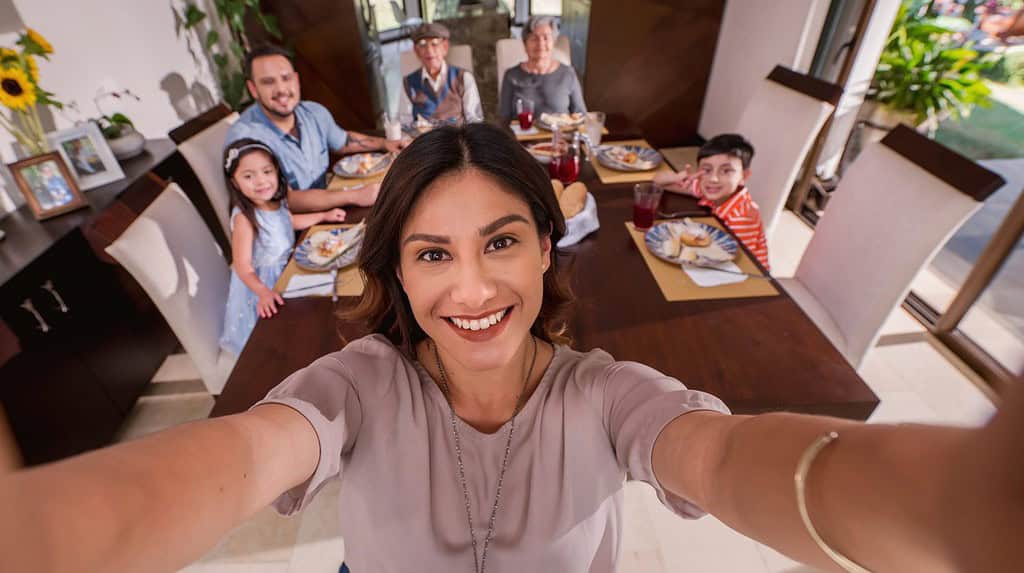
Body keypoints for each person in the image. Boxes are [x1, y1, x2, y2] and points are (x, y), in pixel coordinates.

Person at [0, 123, 1020, 573]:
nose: (474, 288)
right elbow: (235, 461)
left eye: (500, 243)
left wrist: (942, 511)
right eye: (431, 254)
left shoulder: (610, 391)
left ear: (548, 247)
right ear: (396, 276)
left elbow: (719, 457)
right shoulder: (354, 383)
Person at [224, 45, 405, 214]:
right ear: (253, 89)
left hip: (329, 209)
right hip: (291, 230)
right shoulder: (245, 138)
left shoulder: (314, 112)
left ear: (296, 80)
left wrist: (385, 143)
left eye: (286, 78)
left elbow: (343, 142)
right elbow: (285, 200)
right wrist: (355, 195)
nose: (281, 89)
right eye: (268, 82)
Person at [219, 138, 346, 357]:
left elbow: (288, 222)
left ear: (277, 171)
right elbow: (242, 267)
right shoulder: (243, 218)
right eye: (248, 176)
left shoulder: (275, 202)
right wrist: (263, 293)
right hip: (266, 284)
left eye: (267, 172)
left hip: (289, 272)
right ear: (234, 182)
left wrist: (323, 215)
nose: (261, 181)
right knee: (286, 336)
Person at [654, 134, 769, 270]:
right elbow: (658, 182)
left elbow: (741, 263)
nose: (713, 179)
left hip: (747, 273)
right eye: (707, 170)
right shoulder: (709, 189)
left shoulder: (742, 217)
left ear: (744, 176)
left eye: (726, 171)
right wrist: (677, 177)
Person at [499, 15, 587, 123]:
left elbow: (581, 115)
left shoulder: (568, 74)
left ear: (553, 42)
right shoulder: (511, 75)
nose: (540, 44)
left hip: (559, 137)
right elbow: (504, 120)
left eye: (546, 37)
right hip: (524, 137)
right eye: (534, 38)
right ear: (524, 44)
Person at [399, 23, 483, 125]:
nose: (429, 50)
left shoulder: (463, 78)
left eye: (434, 44)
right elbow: (405, 123)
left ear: (445, 47)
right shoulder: (408, 83)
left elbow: (475, 120)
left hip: (457, 138)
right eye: (422, 44)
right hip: (425, 139)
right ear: (416, 51)